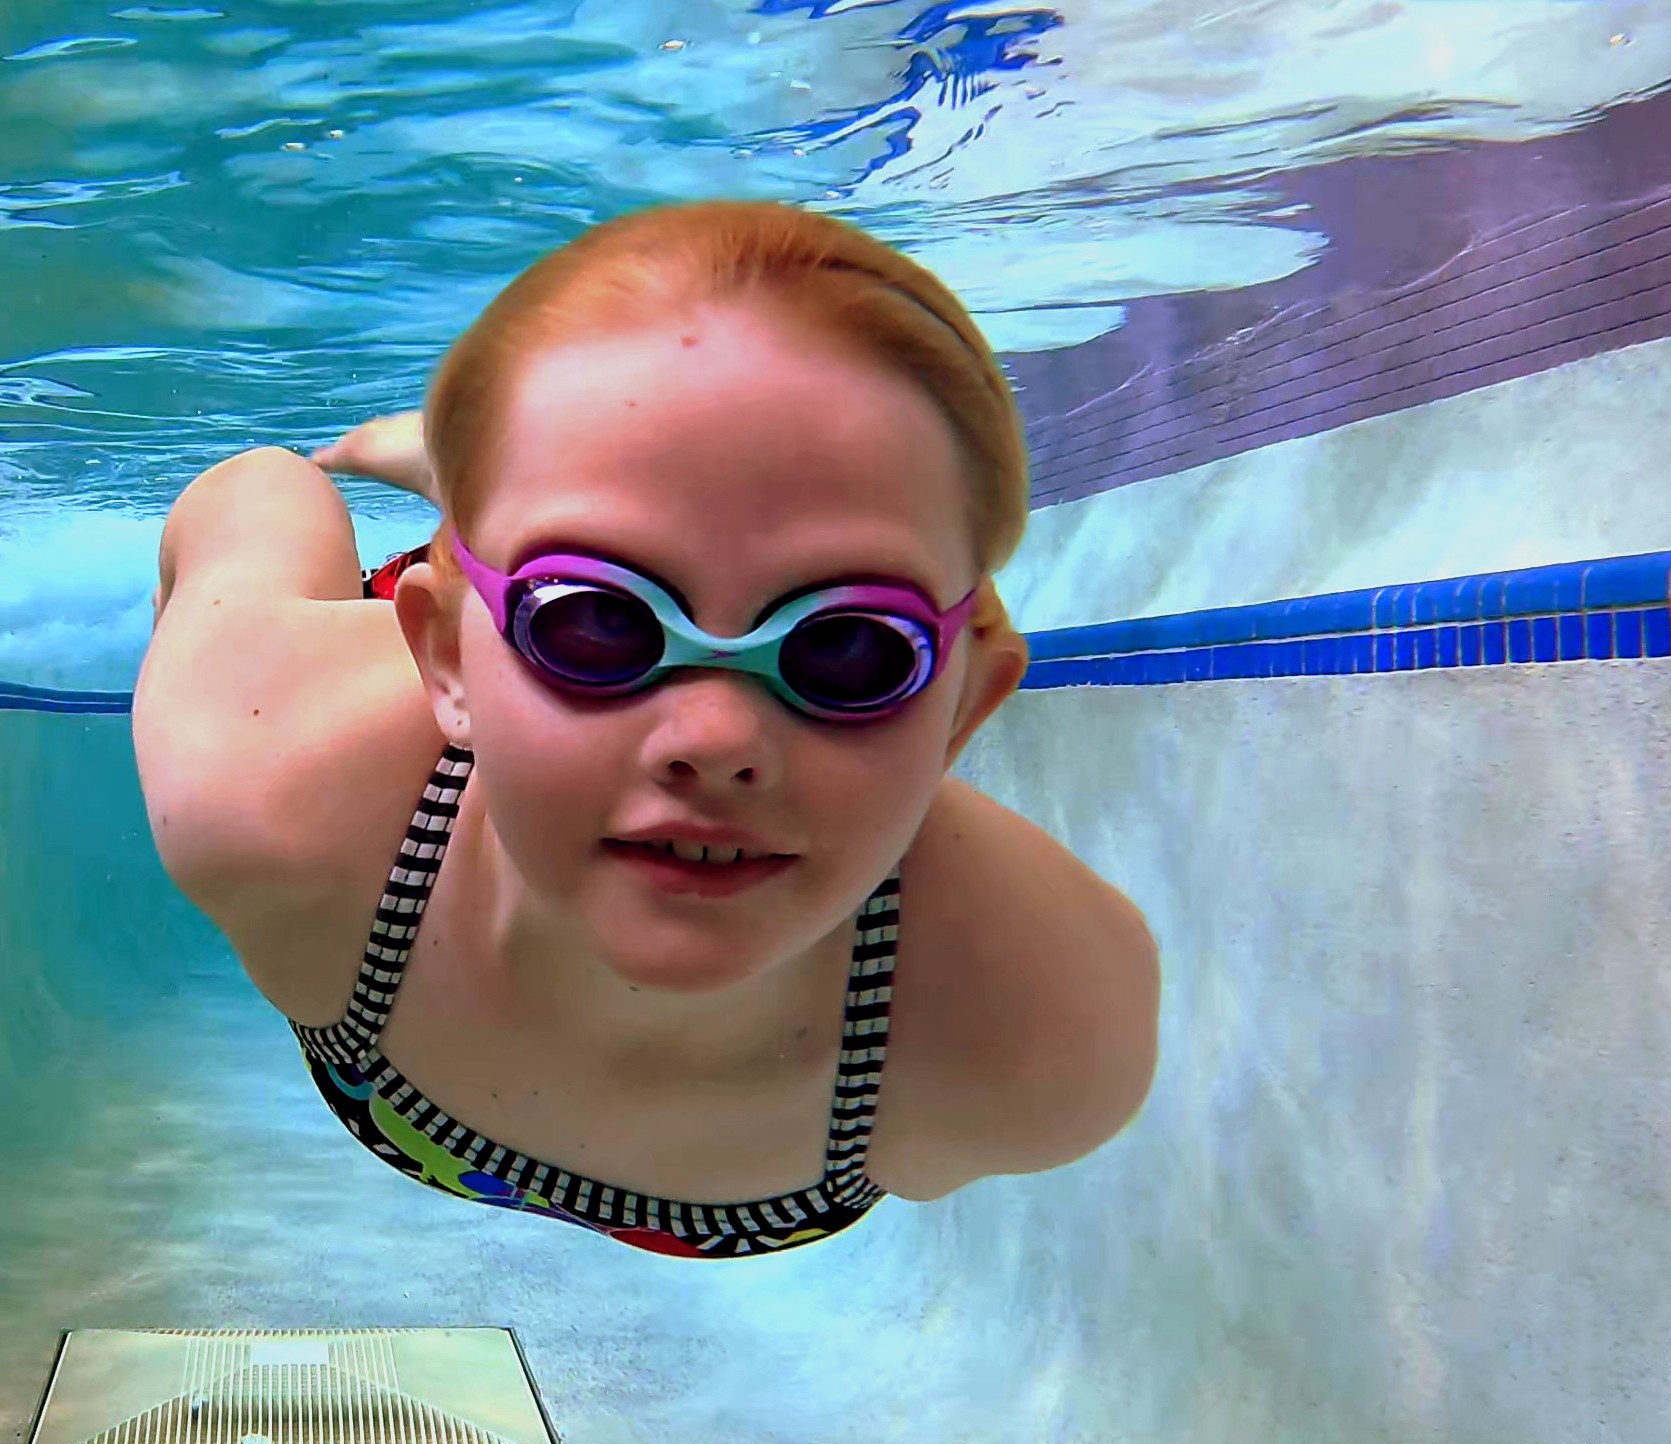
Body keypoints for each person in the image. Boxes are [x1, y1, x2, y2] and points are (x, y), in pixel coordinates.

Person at [135, 200, 1158, 1259]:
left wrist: (575, 600)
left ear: (963, 707)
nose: (715, 739)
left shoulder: (1039, 1043)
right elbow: (250, 499)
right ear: (442, 658)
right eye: (596, 622)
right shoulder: (262, 780)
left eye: (851, 647)